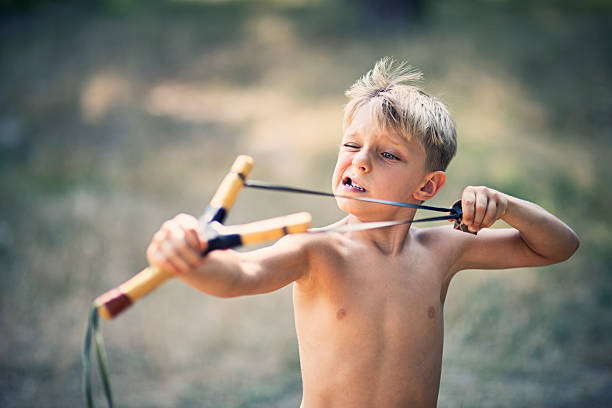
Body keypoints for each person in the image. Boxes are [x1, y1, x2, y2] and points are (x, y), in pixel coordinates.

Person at [146, 57, 579, 407]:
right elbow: (238, 277)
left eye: (387, 154)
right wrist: (189, 256)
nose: (360, 161)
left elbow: (557, 247)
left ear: (427, 187)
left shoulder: (442, 247)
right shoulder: (315, 250)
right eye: (351, 145)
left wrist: (508, 206)